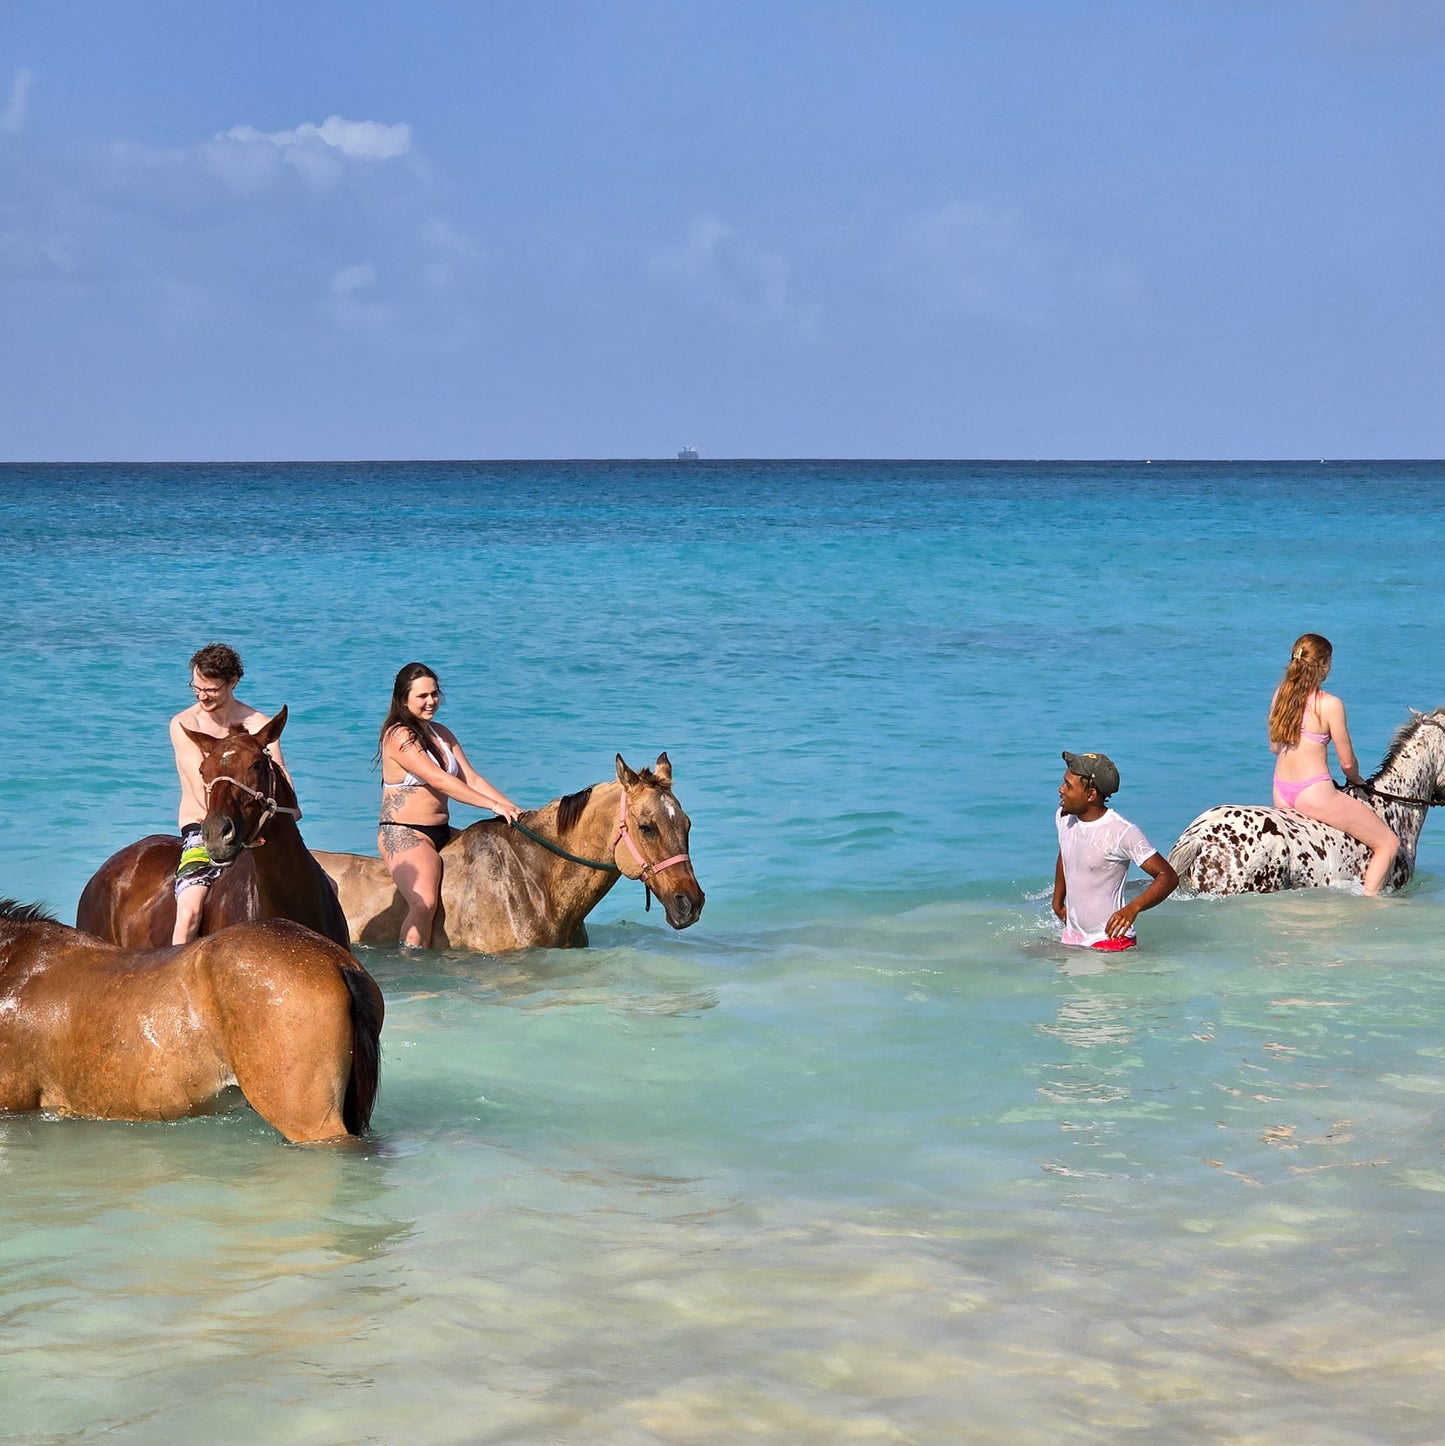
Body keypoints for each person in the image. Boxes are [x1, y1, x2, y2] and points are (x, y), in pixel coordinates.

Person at [377, 662, 522, 948]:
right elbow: (441, 781)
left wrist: (514, 810)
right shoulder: (398, 736)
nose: (431, 701)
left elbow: (472, 778)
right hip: (404, 833)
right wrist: (492, 806)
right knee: (424, 903)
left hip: (444, 830)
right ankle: (411, 966)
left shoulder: (441, 733)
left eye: (434, 694)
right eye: (422, 696)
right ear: (403, 699)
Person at [170, 642, 294, 946]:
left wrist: (293, 806)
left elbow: (279, 770)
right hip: (205, 827)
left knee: (327, 885)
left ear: (233, 682)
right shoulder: (185, 724)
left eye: (210, 689)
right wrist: (224, 827)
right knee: (190, 912)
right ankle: (169, 976)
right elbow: (200, 785)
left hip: (256, 828)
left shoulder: (258, 724)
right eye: (196, 687)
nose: (201, 696)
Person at [1268, 632, 1399, 894]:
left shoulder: (1281, 695)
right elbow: (1347, 762)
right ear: (1324, 664)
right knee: (1388, 843)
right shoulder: (1330, 704)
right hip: (1313, 792)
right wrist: (1357, 780)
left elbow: (1274, 746)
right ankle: (1370, 904)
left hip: (1281, 791)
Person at [1053, 750, 1178, 950]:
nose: (1061, 789)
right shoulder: (1064, 817)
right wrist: (1057, 901)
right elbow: (1066, 852)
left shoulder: (1121, 832)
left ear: (1091, 794)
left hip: (1111, 941)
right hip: (1073, 936)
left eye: (1068, 785)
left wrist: (1132, 909)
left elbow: (1168, 876)